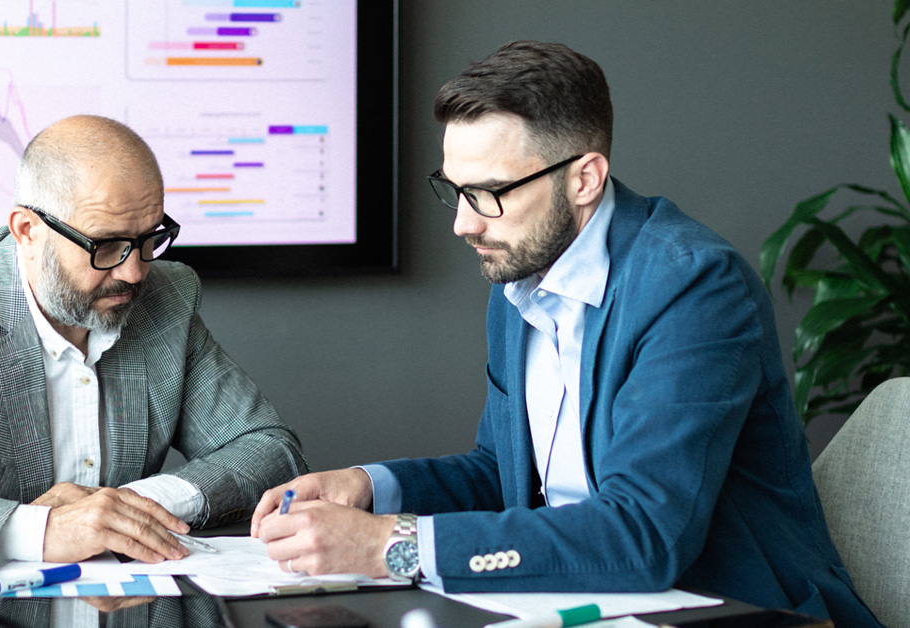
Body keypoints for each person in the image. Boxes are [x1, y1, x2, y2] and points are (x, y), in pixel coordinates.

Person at [250, 41, 882, 626]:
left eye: (489, 193)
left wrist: (388, 546)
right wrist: (367, 486)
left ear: (584, 178)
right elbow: (503, 474)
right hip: (589, 603)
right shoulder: (519, 276)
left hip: (736, 610)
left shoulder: (694, 288)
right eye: (455, 190)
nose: (463, 224)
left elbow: (644, 536)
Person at [0, 115, 308, 625]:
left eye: (150, 237)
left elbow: (271, 449)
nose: (134, 271)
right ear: (28, 232)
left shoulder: (165, 300)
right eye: (106, 246)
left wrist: (132, 507)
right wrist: (38, 530)